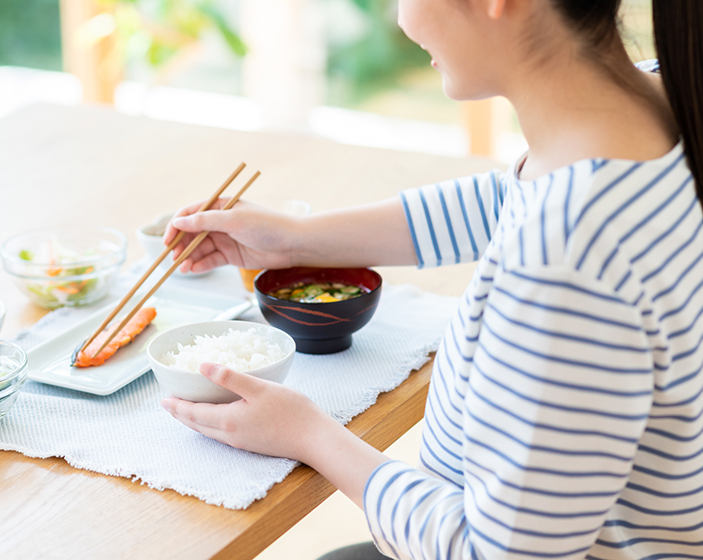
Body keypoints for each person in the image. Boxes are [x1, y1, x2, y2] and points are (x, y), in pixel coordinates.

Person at [161, 0, 703, 558]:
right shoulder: (663, 99)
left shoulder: (567, 254)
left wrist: (309, 434)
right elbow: (508, 199)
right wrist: (299, 238)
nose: (401, 19)